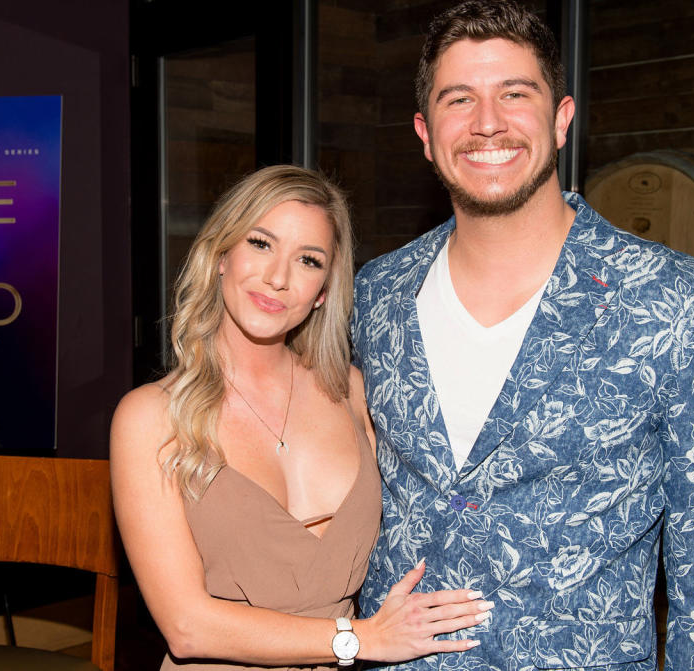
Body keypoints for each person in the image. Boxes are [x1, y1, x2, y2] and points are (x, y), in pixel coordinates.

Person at [350, 2, 694, 670]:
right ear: (425, 133)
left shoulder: (684, 305)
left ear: (561, 118)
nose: (488, 122)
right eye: (460, 100)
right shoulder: (378, 292)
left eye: (515, 94)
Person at [111, 165, 494, 670]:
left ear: (322, 291)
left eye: (308, 260)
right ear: (221, 255)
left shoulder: (355, 393)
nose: (278, 277)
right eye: (261, 243)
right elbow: (187, 626)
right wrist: (358, 638)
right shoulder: (151, 418)